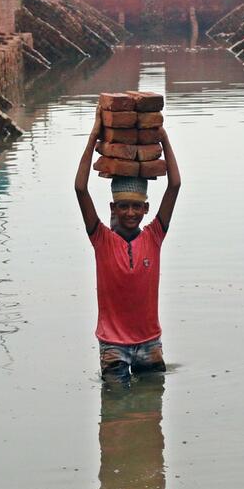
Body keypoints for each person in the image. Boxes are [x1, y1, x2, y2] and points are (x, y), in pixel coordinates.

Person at [75, 105, 181, 385]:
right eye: (124, 207)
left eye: (136, 207)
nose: (131, 213)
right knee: (116, 417)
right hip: (113, 348)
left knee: (150, 413)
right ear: (113, 207)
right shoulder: (101, 240)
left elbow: (175, 185)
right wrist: (94, 135)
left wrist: (163, 137)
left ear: (146, 208)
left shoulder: (154, 236)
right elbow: (80, 189)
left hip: (150, 343)